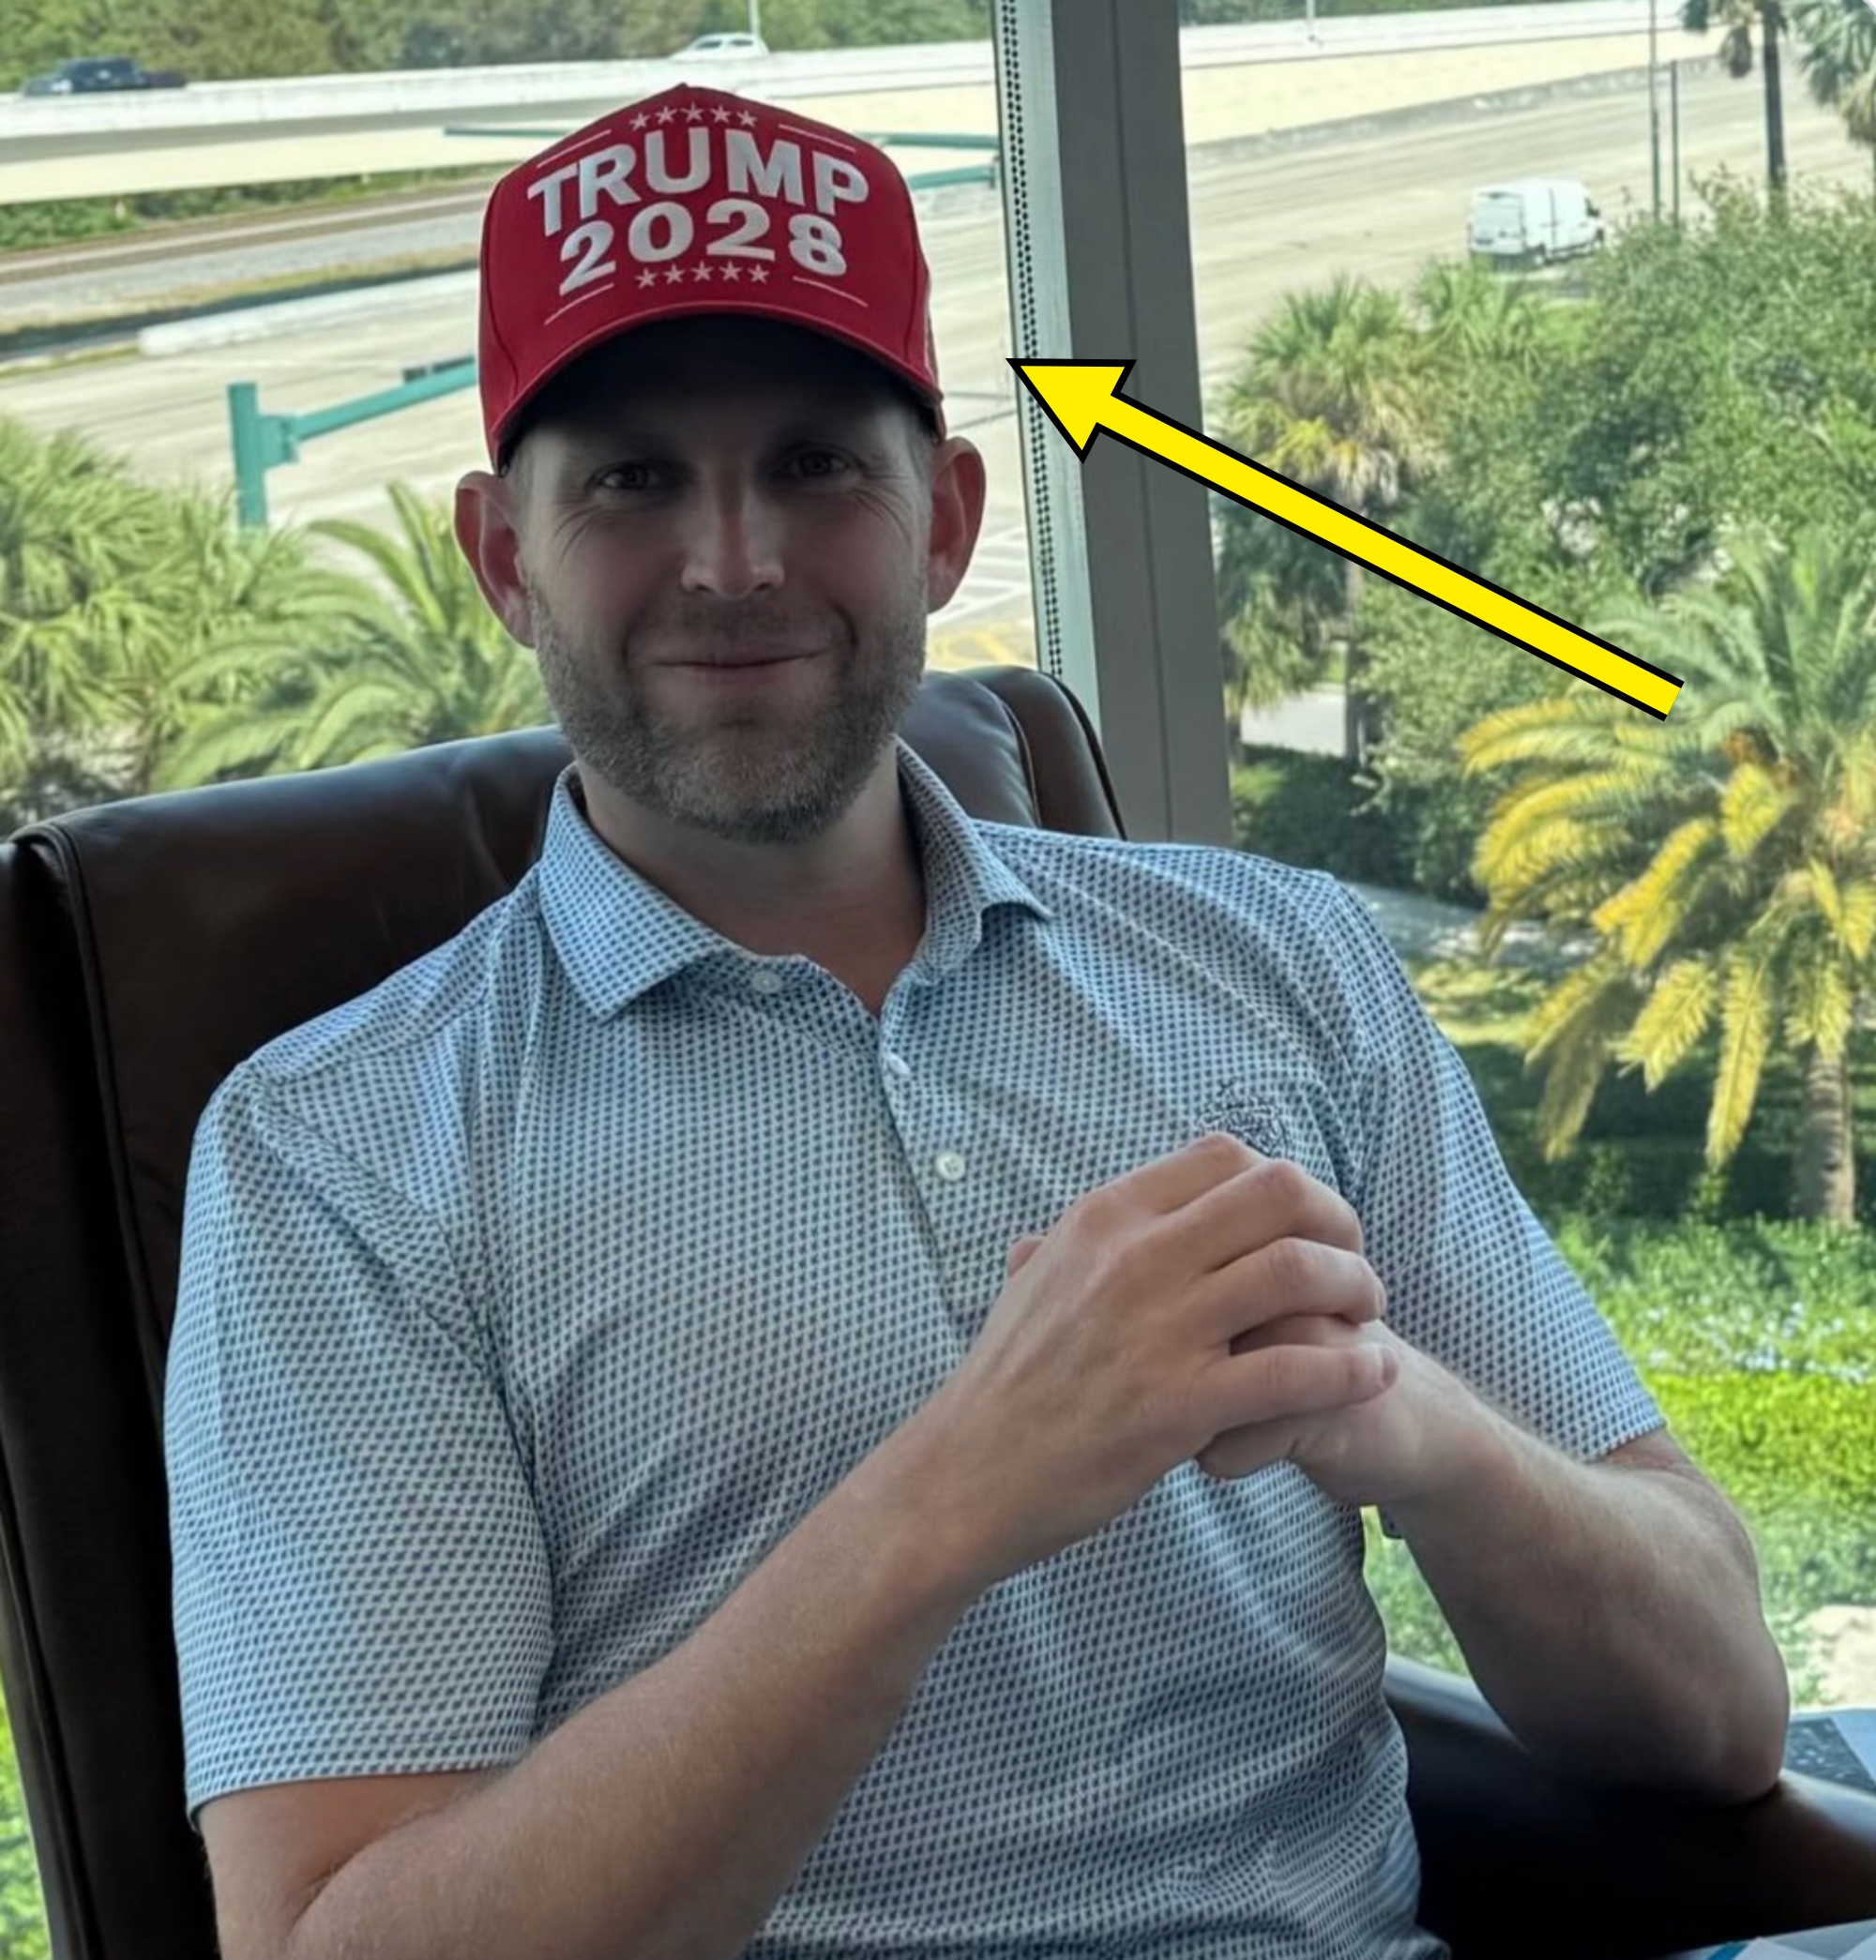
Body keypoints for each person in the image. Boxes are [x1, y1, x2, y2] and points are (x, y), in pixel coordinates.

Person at [163, 83, 1792, 1960]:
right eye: (628, 477)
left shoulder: (1281, 963)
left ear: (939, 522)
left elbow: (1720, 1703)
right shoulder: (341, 1153)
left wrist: (1402, 1415)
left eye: (812, 466)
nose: (733, 559)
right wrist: (949, 1497)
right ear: (498, 553)